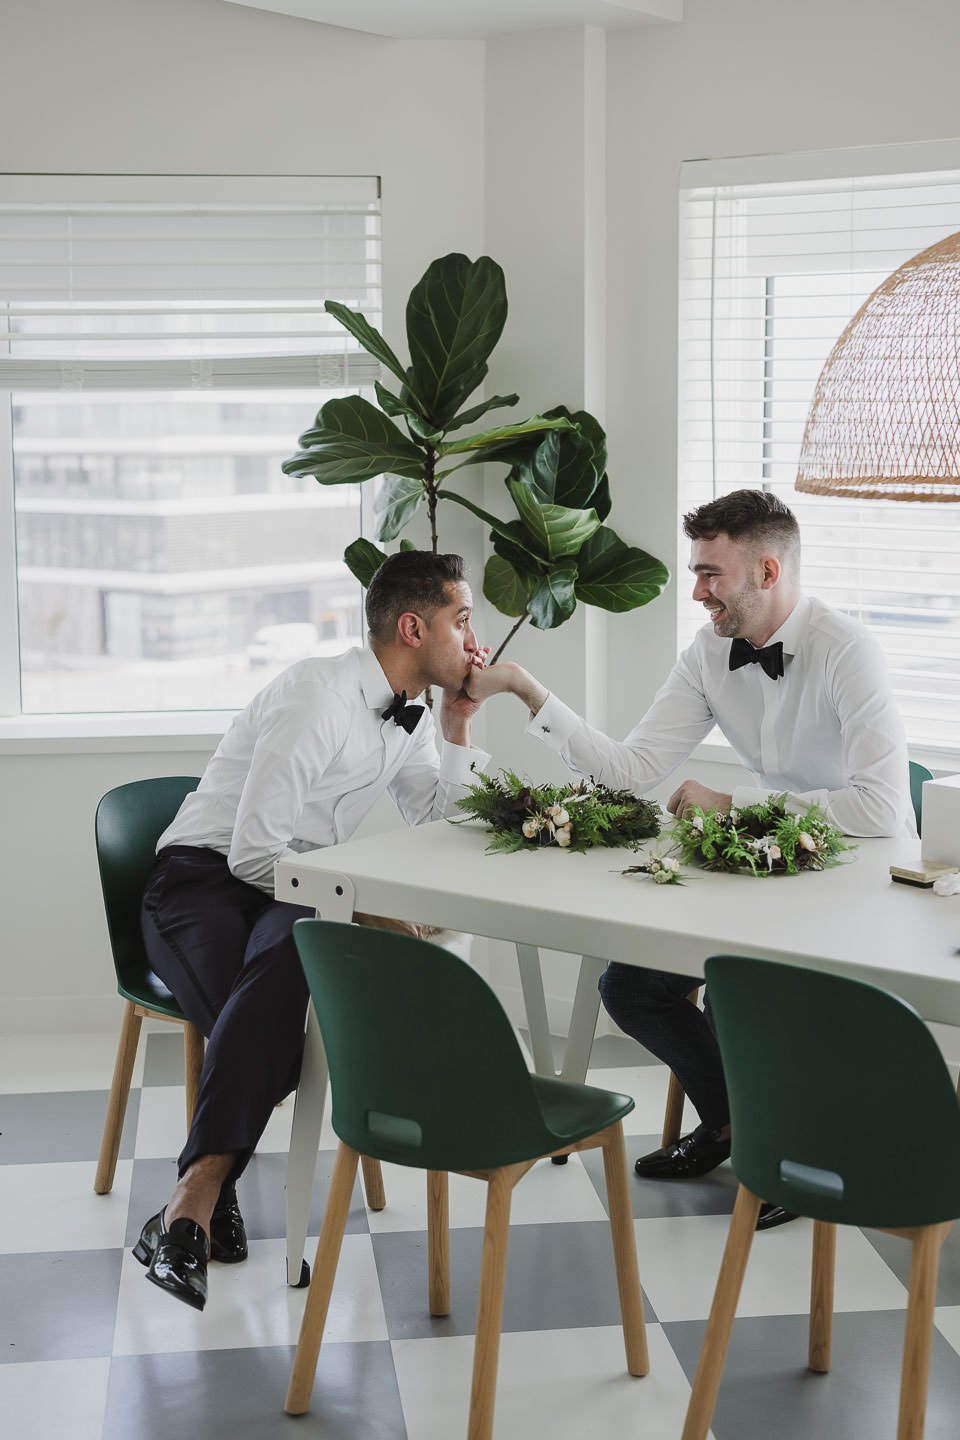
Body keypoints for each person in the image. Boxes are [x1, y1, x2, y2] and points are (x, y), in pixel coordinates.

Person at [467, 489, 913, 1230]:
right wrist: (523, 687)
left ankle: (794, 1154)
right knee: (631, 986)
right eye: (696, 572)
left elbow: (880, 811)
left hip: (850, 885)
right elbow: (630, 767)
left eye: (711, 574)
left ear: (767, 572)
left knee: (746, 994)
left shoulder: (847, 651)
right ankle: (741, 1128)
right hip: (757, 873)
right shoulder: (708, 655)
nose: (698, 591)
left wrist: (732, 804)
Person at [134, 550, 491, 1309]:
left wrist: (458, 723)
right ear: (411, 626)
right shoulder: (317, 698)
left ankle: (189, 1206)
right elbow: (252, 851)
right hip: (200, 881)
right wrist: (360, 905)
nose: (474, 637)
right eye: (462, 619)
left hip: (290, 889)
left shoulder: (413, 709)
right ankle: (203, 1196)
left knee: (280, 985)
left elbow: (441, 820)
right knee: (277, 1030)